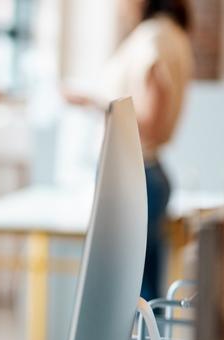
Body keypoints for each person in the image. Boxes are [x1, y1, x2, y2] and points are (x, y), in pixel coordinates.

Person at [66, 0, 193, 301]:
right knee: (142, 289)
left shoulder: (153, 38)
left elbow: (148, 118)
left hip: (134, 173)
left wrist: (91, 101)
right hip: (146, 171)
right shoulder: (171, 34)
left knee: (130, 295)